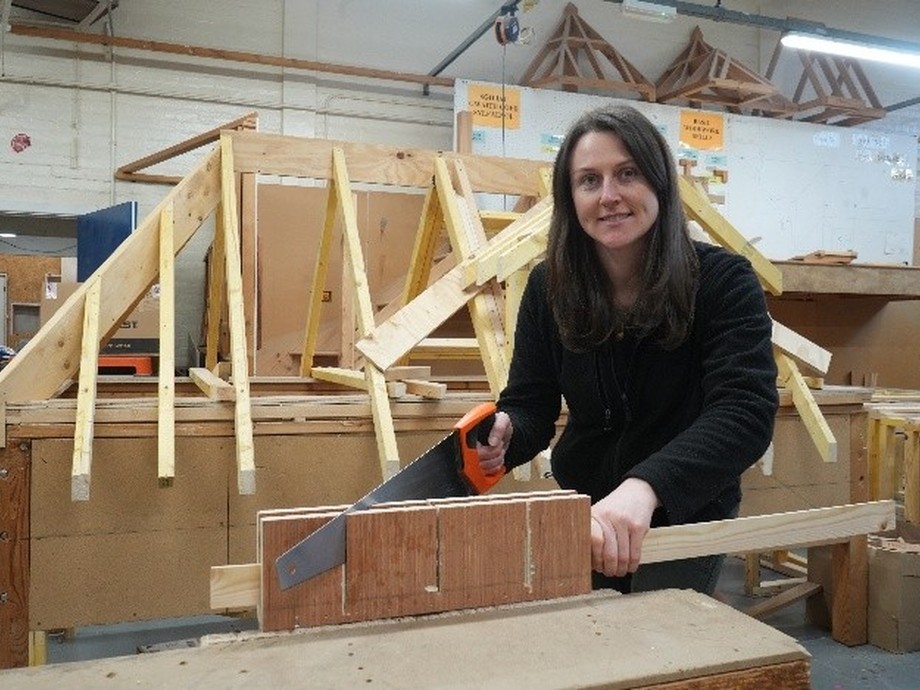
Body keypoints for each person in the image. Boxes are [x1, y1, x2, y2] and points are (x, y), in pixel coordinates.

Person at [477, 104, 778, 594]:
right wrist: (507, 433)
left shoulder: (723, 281)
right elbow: (531, 402)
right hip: (585, 508)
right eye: (589, 180)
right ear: (570, 197)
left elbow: (744, 412)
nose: (609, 196)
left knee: (655, 632)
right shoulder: (549, 287)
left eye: (628, 174)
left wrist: (646, 487)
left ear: (659, 183)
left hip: (684, 509)